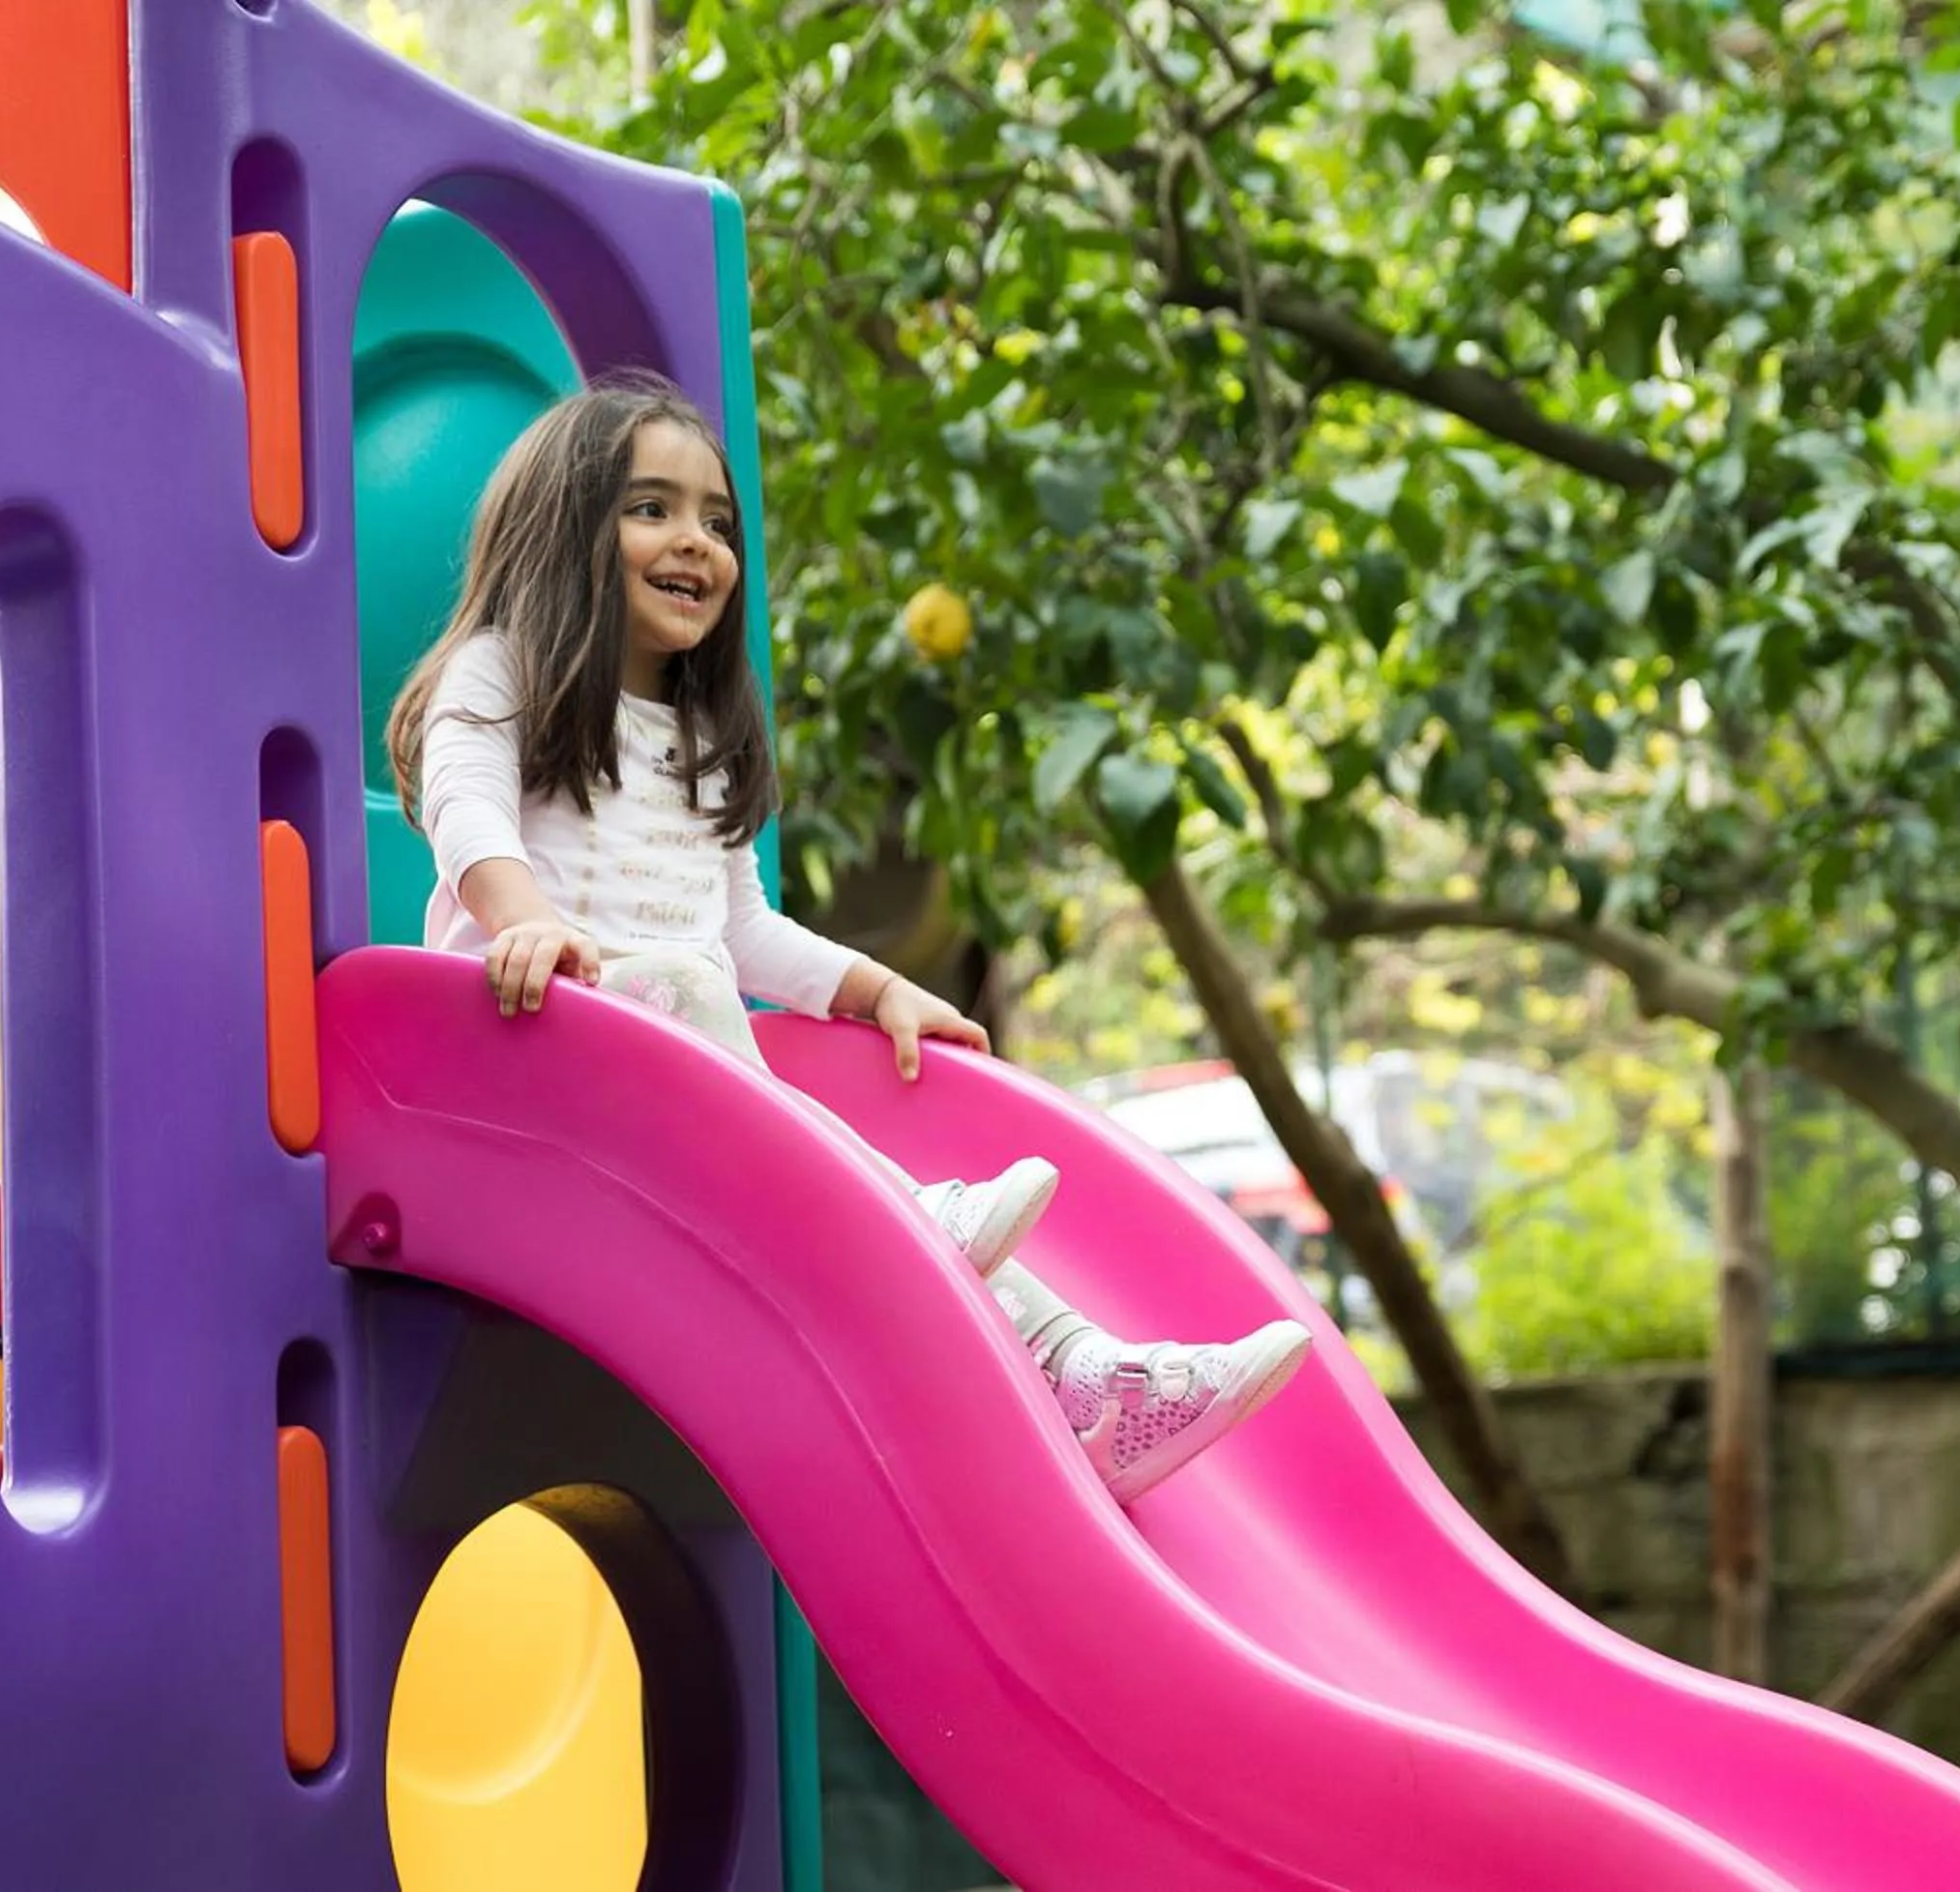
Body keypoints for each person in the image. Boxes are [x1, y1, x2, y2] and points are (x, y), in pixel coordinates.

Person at [384, 370, 1308, 1504]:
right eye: (652, 508)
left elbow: (743, 928)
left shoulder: (700, 738)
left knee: (705, 991)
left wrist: (875, 992)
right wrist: (522, 922)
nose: (698, 542)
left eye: (717, 522)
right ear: (561, 527)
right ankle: (900, 1224)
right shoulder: (502, 674)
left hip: (675, 1109)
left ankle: (1090, 1380)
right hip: (524, 1069)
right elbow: (464, 810)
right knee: (686, 992)